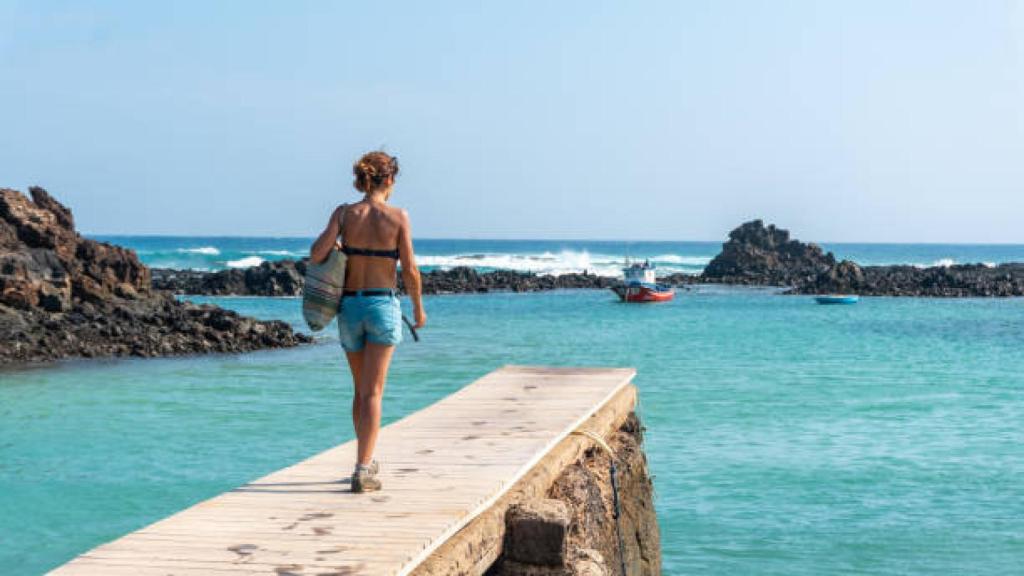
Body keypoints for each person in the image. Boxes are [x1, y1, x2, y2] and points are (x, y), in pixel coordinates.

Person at [310, 150, 426, 493]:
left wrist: (342, 240)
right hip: (381, 305)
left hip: (350, 308)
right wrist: (419, 308)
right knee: (374, 393)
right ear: (389, 180)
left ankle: (364, 458)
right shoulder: (398, 217)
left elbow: (317, 253)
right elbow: (411, 270)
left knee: (360, 391)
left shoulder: (345, 214)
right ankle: (363, 467)